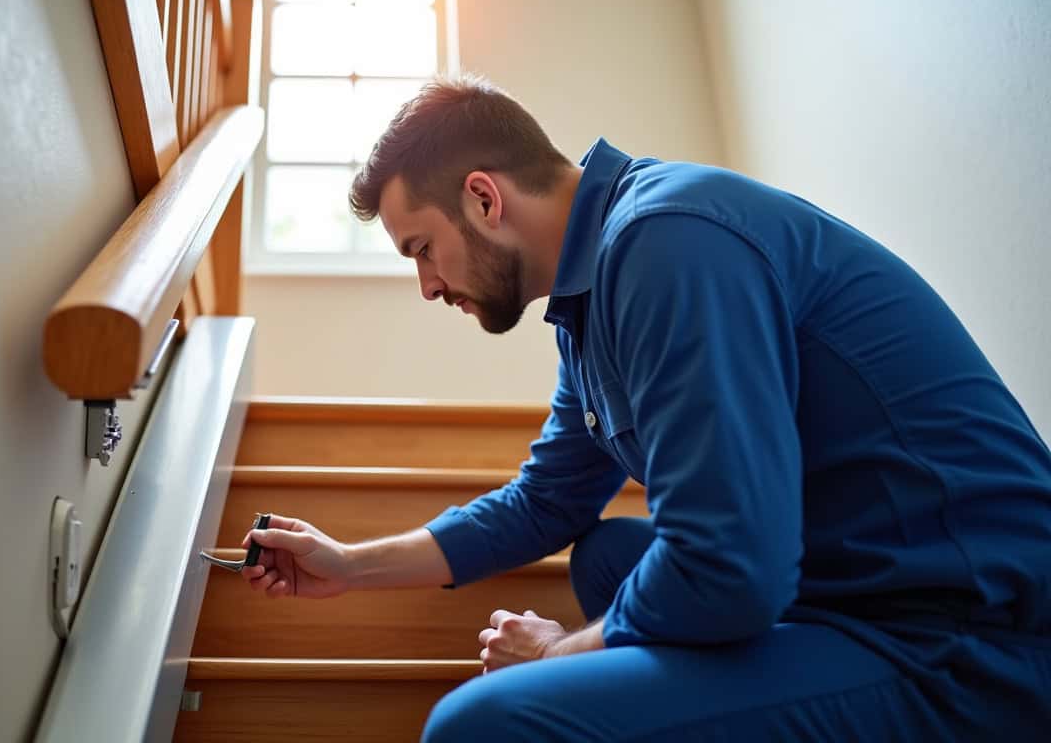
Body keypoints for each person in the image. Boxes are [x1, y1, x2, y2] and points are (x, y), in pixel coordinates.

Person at [238, 76, 1051, 740]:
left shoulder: (668, 242)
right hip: (844, 592)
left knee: (478, 727)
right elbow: (544, 502)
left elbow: (727, 570)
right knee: (607, 556)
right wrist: (347, 566)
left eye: (421, 249)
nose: (428, 285)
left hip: (966, 639)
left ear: (483, 198)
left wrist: (558, 656)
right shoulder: (593, 303)